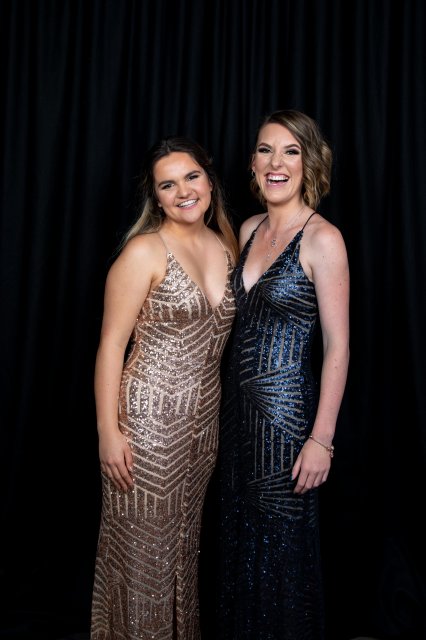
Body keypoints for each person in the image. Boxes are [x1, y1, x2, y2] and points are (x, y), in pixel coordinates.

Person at [90, 136, 239, 640]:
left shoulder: (226, 244)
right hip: (146, 426)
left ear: (209, 180)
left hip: (202, 428)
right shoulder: (144, 251)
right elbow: (111, 346)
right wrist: (108, 432)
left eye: (192, 177)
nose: (183, 192)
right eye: (168, 185)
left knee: (182, 548)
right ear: (155, 197)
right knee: (142, 555)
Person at [216, 109, 350, 639]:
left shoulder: (323, 239)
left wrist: (322, 439)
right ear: (253, 163)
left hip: (287, 423)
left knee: (281, 554)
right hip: (235, 419)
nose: (277, 163)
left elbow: (338, 347)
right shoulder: (248, 229)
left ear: (308, 162)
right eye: (266, 150)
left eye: (291, 151)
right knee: (238, 544)